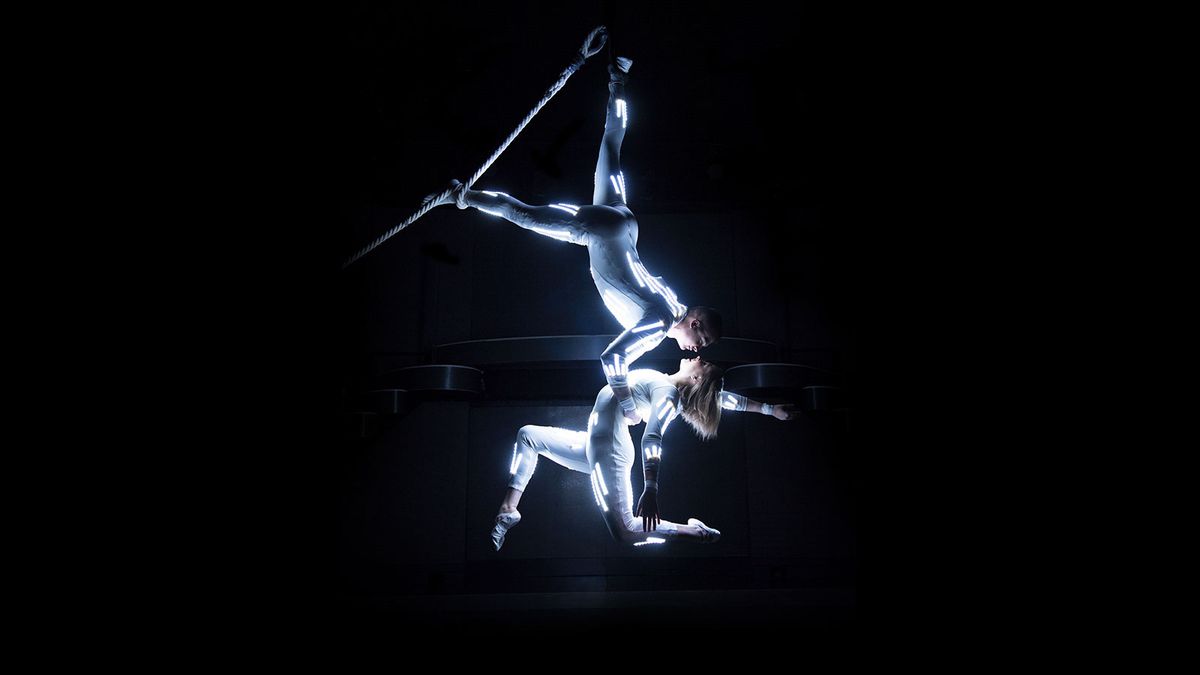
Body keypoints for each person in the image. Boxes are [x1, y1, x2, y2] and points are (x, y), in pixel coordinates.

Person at [427, 48, 722, 426]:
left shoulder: (672, 300)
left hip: (624, 224)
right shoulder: (660, 325)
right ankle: (461, 195)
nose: (697, 349)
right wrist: (629, 406)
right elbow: (612, 359)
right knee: (524, 215)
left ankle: (619, 78)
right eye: (704, 341)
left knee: (611, 144)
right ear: (695, 323)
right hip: (603, 233)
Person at [489, 356, 797, 550]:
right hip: (595, 444)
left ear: (697, 378)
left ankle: (694, 532)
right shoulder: (665, 384)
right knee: (528, 436)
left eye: (703, 364)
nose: (698, 357)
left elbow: (652, 437)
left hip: (610, 449)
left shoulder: (668, 394)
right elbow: (721, 398)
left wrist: (651, 487)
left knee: (625, 531)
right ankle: (508, 511)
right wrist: (769, 409)